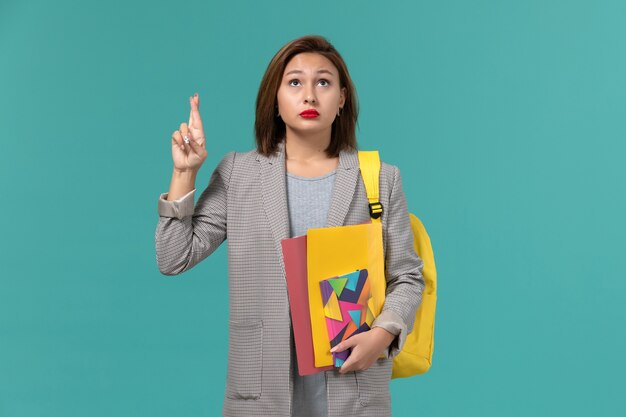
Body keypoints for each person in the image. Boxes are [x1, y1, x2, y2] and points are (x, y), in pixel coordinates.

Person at [155, 35, 424, 417]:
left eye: (324, 82)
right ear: (275, 100)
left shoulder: (380, 179)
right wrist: (184, 173)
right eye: (295, 82)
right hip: (261, 396)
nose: (309, 95)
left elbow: (409, 278)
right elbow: (173, 257)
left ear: (343, 98)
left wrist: (382, 336)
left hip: (353, 393)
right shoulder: (238, 173)